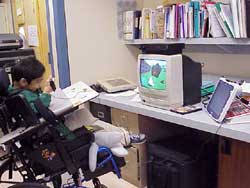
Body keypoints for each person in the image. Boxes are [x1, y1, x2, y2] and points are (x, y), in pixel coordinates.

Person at [9, 57, 76, 141]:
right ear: (23, 82)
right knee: (83, 115)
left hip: (47, 123)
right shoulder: (20, 97)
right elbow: (36, 107)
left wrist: (42, 91)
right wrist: (46, 94)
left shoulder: (17, 90)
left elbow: (35, 98)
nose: (39, 85)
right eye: (37, 82)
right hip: (45, 129)